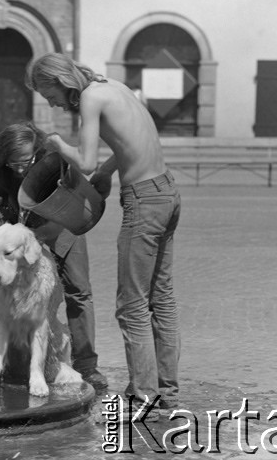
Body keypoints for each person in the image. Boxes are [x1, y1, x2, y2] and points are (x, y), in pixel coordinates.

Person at [25, 53, 181, 416]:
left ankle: (145, 396)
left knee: (132, 306)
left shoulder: (90, 99)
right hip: (168, 192)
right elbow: (134, 135)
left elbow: (86, 160)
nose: (53, 103)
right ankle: (166, 392)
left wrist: (55, 143)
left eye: (49, 95)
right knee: (162, 298)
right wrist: (113, 171)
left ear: (60, 82)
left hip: (144, 200)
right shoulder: (113, 86)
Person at [0, 121, 108, 391]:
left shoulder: (52, 159)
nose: (21, 169)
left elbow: (78, 192)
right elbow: (0, 200)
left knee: (78, 291)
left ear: (38, 150)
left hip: (62, 224)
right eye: (14, 164)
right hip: (22, 226)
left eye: (26, 161)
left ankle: (87, 366)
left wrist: (43, 235)